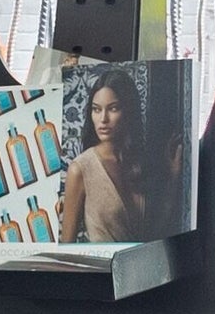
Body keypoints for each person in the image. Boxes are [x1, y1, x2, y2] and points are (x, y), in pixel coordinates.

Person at [58, 68, 155, 244]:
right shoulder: (80, 169)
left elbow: (156, 231)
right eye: (96, 109)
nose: (103, 119)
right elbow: (67, 247)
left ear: (128, 111)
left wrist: (173, 175)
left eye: (113, 108)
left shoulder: (140, 162)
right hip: (103, 269)